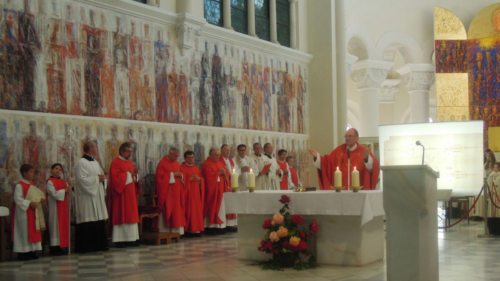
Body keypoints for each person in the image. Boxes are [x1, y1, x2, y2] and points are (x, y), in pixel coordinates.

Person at [309, 128, 380, 190]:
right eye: (346, 136)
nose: (347, 138)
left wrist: (367, 159)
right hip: (341, 191)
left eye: (350, 136)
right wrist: (317, 157)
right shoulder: (338, 151)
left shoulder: (364, 150)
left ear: (357, 138)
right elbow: (327, 163)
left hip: (358, 191)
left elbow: (373, 167)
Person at [74, 141, 109, 253]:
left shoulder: (95, 162)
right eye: (94, 146)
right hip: (87, 197)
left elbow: (100, 176)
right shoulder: (81, 162)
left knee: (98, 219)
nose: (96, 148)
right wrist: (96, 179)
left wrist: (103, 179)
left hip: (97, 195)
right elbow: (81, 180)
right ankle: (87, 247)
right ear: (89, 149)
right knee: (89, 218)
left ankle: (99, 245)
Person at [108, 142, 140, 247]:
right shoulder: (115, 162)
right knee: (122, 215)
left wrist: (135, 175)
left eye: (131, 151)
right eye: (128, 151)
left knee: (131, 215)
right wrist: (127, 174)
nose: (130, 153)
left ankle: (132, 239)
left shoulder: (129, 162)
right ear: (122, 151)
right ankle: (120, 240)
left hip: (130, 195)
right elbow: (115, 179)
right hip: (121, 195)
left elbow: (132, 177)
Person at [11, 164, 44, 260]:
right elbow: (17, 199)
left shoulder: (31, 185)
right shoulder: (19, 185)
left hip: (33, 213)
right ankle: (23, 253)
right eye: (31, 172)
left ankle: (32, 251)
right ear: (24, 173)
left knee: (33, 231)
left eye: (33, 172)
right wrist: (29, 203)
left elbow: (36, 196)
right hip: (24, 214)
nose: (33, 174)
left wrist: (40, 199)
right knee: (24, 232)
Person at [155, 147, 185, 235]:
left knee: (177, 212)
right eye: (175, 156)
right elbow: (159, 179)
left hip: (176, 192)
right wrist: (172, 174)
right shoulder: (162, 164)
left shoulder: (176, 163)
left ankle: (176, 232)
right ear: (170, 153)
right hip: (167, 193)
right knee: (168, 210)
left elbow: (181, 176)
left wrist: (181, 175)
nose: (176, 158)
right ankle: (166, 231)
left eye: (177, 156)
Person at [202, 147, 228, 234]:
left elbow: (226, 173)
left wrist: (224, 173)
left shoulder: (220, 163)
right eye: (215, 155)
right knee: (213, 207)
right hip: (212, 191)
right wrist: (218, 173)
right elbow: (208, 177)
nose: (217, 157)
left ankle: (220, 226)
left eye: (218, 155)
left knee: (221, 208)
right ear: (210, 155)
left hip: (221, 190)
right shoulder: (207, 164)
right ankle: (211, 227)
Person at [46, 163, 70, 255]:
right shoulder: (50, 182)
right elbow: (54, 194)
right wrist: (65, 190)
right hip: (55, 208)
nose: (58, 171)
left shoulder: (64, 182)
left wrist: (69, 189)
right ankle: (54, 248)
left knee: (62, 226)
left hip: (63, 208)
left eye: (60, 169)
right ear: (51, 170)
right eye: (56, 168)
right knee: (55, 227)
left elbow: (69, 193)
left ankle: (62, 246)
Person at [180, 150, 205, 237]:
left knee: (197, 212)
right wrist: (189, 180)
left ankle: (197, 230)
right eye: (189, 157)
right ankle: (188, 230)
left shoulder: (196, 168)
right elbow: (180, 182)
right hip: (187, 194)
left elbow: (201, 179)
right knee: (189, 211)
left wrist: (199, 179)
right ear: (185, 158)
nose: (191, 159)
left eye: (192, 157)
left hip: (196, 194)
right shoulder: (181, 168)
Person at [219, 144, 237, 231]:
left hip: (231, 184)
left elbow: (234, 171)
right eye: (226, 150)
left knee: (232, 204)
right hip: (224, 185)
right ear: (221, 151)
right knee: (225, 205)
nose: (228, 152)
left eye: (228, 150)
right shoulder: (219, 161)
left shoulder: (230, 160)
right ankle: (225, 224)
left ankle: (231, 224)